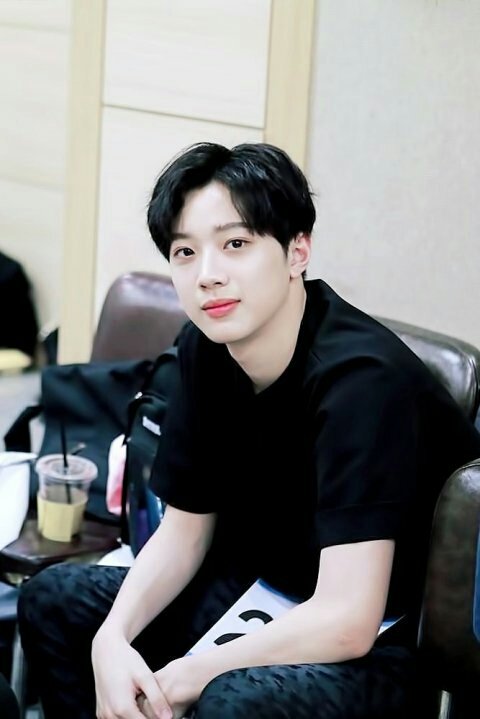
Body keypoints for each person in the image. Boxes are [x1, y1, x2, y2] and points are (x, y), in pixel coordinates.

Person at [18, 142, 480, 719]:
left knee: (229, 699)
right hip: (259, 587)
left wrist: (190, 673)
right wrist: (111, 638)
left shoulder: (364, 383)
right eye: (185, 252)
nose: (208, 276)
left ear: (297, 251)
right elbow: (184, 535)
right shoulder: (204, 349)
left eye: (235, 244)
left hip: (382, 640)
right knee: (56, 600)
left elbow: (347, 619)